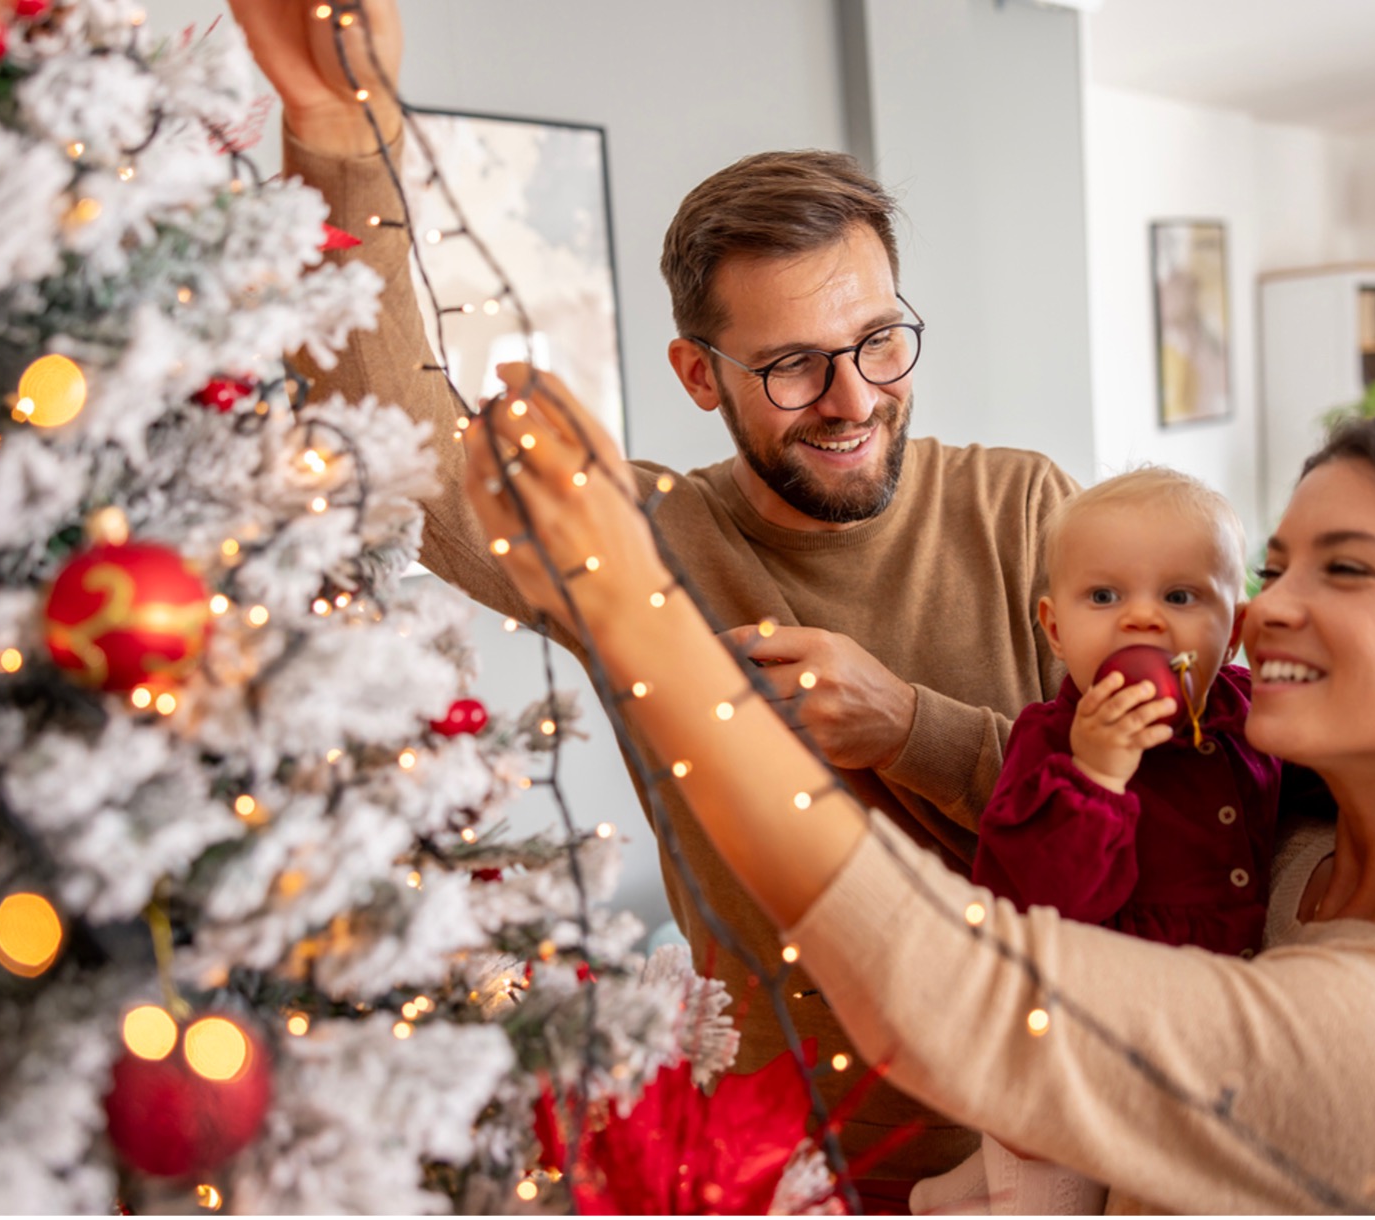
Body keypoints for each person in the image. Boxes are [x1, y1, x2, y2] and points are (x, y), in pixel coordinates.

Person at [230, 0, 1076, 1188]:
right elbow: (400, 455)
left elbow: (1153, 810)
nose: (851, 398)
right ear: (696, 374)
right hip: (786, 1168)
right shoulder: (637, 535)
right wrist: (335, 131)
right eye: (789, 365)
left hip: (1049, 1149)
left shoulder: (1027, 507)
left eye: (878, 339)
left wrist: (909, 728)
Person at [462, 381, 1375, 1213]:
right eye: (1273, 568)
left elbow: (953, 987)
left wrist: (629, 604)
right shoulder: (1306, 846)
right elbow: (1043, 825)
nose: (1260, 613)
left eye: (1346, 567)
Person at [915, 468, 1279, 1215]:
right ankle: (984, 1187)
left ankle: (968, 1189)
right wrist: (1096, 776)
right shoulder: (1047, 745)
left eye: (1179, 597)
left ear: (1233, 630)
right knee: (1050, 1193)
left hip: (1197, 1041)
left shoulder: (1256, 719)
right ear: (1054, 628)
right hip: (1075, 1051)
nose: (1141, 620)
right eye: (1104, 597)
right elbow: (1032, 903)